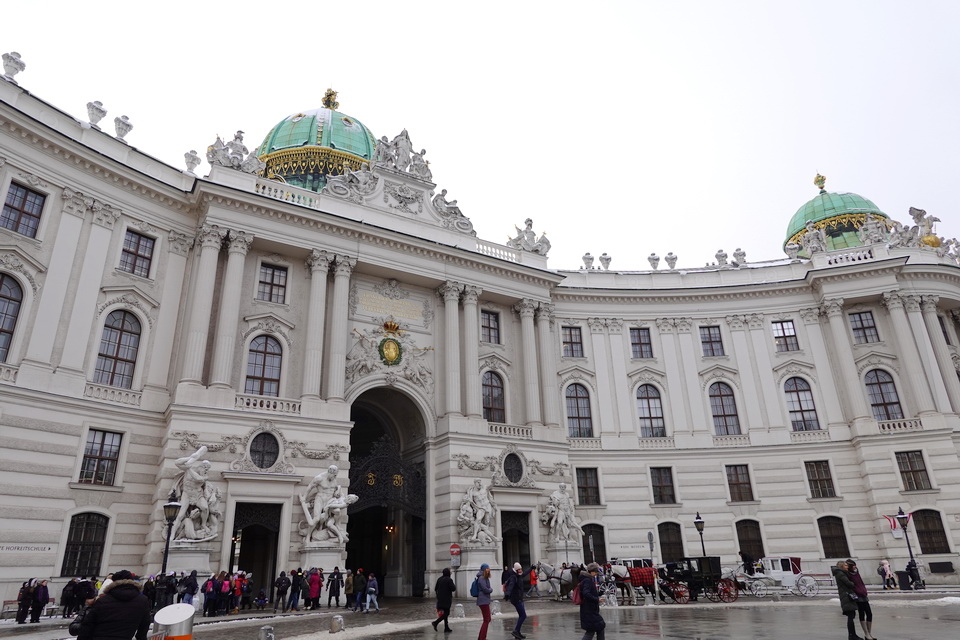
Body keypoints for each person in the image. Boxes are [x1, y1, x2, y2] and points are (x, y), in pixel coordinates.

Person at [76, 569, 151, 640]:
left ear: (113, 583)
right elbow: (144, 626)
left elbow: (87, 626)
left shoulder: (103, 600)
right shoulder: (142, 601)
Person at [846, 561, 876, 640]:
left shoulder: (856, 573)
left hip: (863, 595)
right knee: (862, 614)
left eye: (855, 565)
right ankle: (866, 633)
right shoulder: (849, 574)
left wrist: (864, 590)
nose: (855, 567)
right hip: (858, 596)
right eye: (853, 566)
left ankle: (869, 633)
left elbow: (861, 583)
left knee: (869, 613)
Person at [832, 560, 861, 640]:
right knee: (851, 616)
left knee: (851, 616)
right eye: (845, 565)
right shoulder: (841, 574)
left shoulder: (840, 573)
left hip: (846, 596)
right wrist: (853, 582)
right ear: (841, 566)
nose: (847, 566)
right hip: (847, 597)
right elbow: (849, 584)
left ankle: (852, 634)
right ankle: (852, 635)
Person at [578, 563, 605, 640]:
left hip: (587, 609)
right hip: (589, 610)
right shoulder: (587, 580)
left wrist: (599, 593)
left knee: (597, 628)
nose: (596, 574)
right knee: (593, 630)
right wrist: (597, 599)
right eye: (596, 572)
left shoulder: (585, 579)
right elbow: (586, 593)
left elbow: (588, 592)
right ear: (592, 572)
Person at [504, 562, 529, 639]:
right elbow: (511, 586)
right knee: (523, 615)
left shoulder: (519, 576)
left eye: (521, 569)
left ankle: (517, 633)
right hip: (516, 599)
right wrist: (507, 594)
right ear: (516, 570)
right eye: (519, 569)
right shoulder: (513, 577)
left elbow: (524, 573)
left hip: (519, 598)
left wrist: (531, 568)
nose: (521, 570)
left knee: (521, 615)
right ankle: (516, 631)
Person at [432, 567, 456, 632]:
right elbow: (453, 589)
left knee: (445, 613)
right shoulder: (449, 580)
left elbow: (435, 588)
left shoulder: (439, 579)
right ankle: (435, 622)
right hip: (446, 599)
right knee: (446, 613)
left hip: (440, 599)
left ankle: (446, 627)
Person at [474, 563, 494, 640]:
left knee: (487, 619)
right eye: (487, 568)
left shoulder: (484, 577)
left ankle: (481, 637)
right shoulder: (482, 578)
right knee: (487, 619)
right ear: (484, 569)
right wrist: (491, 590)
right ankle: (482, 638)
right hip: (483, 600)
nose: (489, 570)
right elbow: (485, 589)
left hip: (484, 600)